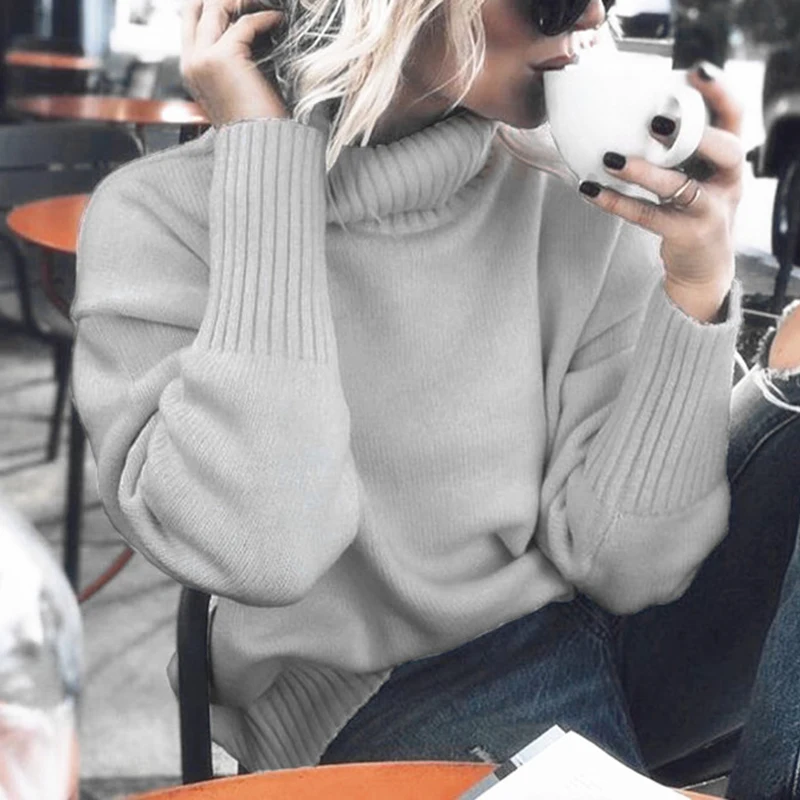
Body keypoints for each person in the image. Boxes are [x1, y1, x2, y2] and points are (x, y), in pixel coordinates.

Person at [70, 0, 800, 796]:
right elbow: (265, 550)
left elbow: (627, 568)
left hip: (608, 617)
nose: (591, 15)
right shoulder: (159, 220)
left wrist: (697, 282)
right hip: (385, 681)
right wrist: (268, 168)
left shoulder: (577, 188)